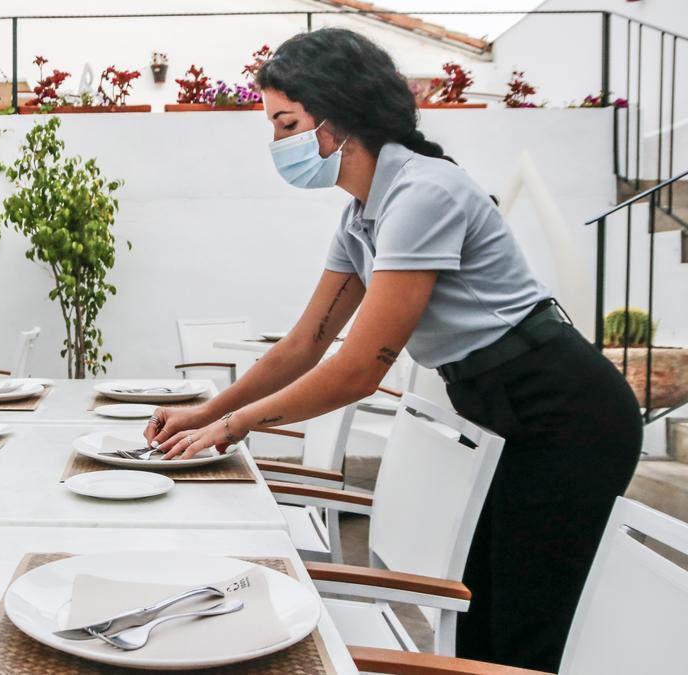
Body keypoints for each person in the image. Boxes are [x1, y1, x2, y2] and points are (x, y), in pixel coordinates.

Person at [144, 28, 642, 671]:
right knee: (485, 612)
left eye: (285, 123)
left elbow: (357, 369)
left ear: (338, 119)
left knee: (526, 626)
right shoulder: (361, 216)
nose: (278, 144)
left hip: (567, 413)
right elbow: (305, 344)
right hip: (505, 410)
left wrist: (233, 427)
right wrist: (211, 413)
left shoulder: (422, 193)